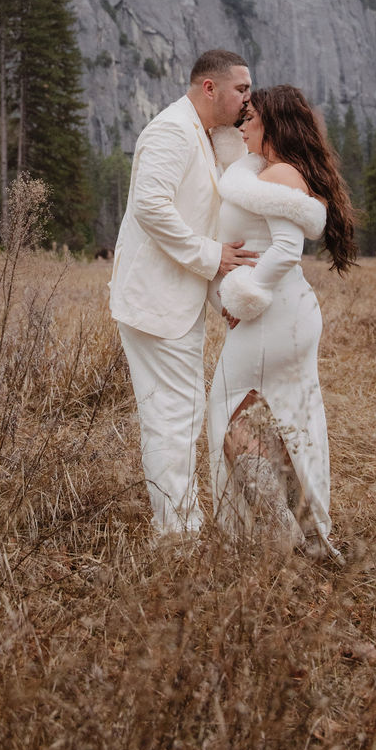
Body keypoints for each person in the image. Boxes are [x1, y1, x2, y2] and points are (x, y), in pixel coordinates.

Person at [110, 50, 255, 535]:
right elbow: (151, 207)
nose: (248, 99)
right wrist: (213, 257)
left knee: (182, 411)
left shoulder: (204, 135)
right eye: (241, 89)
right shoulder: (172, 130)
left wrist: (222, 297)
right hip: (156, 302)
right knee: (172, 417)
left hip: (177, 300)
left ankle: (181, 524)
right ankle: (178, 534)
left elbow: (199, 217)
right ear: (209, 88)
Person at [210, 85, 356, 556]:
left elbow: (288, 250)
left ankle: (283, 535)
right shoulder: (270, 172)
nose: (243, 125)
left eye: (249, 117)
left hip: (272, 315)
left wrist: (244, 296)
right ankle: (306, 536)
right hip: (281, 313)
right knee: (283, 420)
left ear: (271, 122)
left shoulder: (281, 174)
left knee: (231, 416)